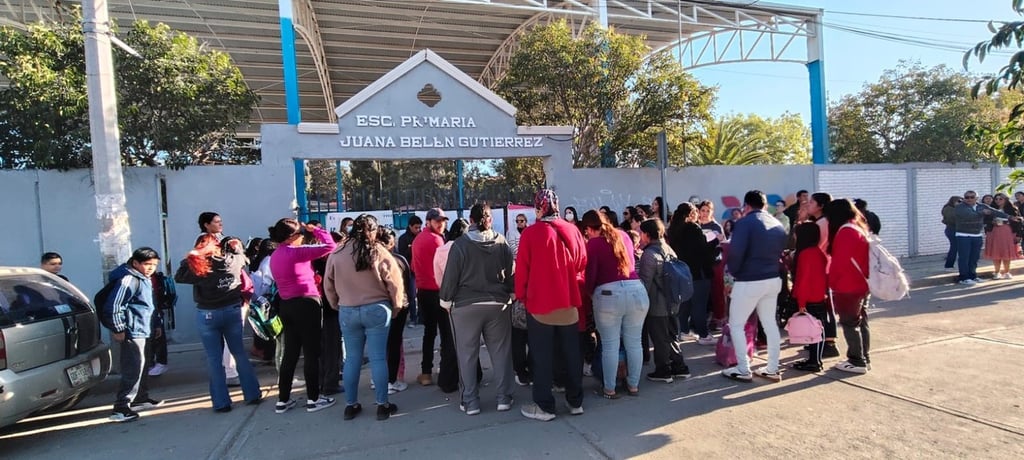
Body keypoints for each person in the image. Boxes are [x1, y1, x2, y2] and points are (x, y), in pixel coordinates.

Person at [324, 214, 405, 421]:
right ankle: (382, 404)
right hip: (377, 308)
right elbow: (394, 283)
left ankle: (351, 405)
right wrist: (396, 307)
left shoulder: (338, 252)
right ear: (374, 230)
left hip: (348, 309)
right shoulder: (379, 251)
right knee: (378, 358)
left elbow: (328, 284)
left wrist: (336, 304)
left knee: (352, 358)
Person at [516, 189, 587, 422]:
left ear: (538, 207)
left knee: (542, 357)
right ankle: (575, 401)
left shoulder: (530, 234)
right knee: (571, 354)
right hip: (569, 302)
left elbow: (523, 270)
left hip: (541, 304)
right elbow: (581, 261)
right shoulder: (572, 229)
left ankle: (545, 406)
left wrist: (522, 296)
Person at [440, 204, 515, 416]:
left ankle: (470, 401)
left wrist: (445, 301)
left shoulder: (460, 244)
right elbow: (511, 272)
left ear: (471, 220)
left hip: (465, 306)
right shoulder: (501, 241)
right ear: (489, 219)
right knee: (501, 353)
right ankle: (504, 398)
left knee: (467, 355)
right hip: (498, 304)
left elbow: (451, 277)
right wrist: (511, 293)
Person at [174, 235, 262, 412]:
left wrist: (190, 257)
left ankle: (221, 402)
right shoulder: (234, 260)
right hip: (232, 310)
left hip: (208, 313)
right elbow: (244, 258)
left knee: (214, 358)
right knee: (239, 353)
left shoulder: (199, 266)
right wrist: (236, 248)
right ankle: (252, 394)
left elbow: (179, 277)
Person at [268, 218, 337, 413]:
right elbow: (330, 246)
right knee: (312, 353)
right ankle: (314, 398)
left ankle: (283, 399)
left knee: (290, 353)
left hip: (287, 305)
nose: (302, 238)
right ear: (292, 237)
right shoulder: (296, 252)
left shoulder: (275, 255)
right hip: (307, 303)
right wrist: (317, 230)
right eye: (300, 235)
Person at [720, 190, 787, 383]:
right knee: (770, 323)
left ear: (746, 206)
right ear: (765, 205)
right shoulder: (777, 224)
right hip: (773, 279)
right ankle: (772, 368)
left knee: (736, 324)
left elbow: (736, 253)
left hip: (749, 280)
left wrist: (733, 273)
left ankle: (743, 368)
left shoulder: (744, 223)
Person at [581, 210, 647, 398]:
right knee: (634, 343)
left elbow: (591, 276)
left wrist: (591, 294)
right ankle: (633, 385)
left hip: (609, 294)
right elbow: (631, 264)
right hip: (637, 291)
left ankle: (610, 388)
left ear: (589, 229)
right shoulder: (624, 235)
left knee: (610, 345)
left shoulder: (593, 244)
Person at [103, 247, 164, 422]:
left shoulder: (143, 278)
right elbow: (114, 306)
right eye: (147, 264)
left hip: (144, 328)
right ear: (135, 263)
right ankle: (121, 407)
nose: (151, 268)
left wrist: (157, 323)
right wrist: (118, 328)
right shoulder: (128, 278)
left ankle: (140, 399)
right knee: (133, 367)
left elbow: (148, 305)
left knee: (143, 365)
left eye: (154, 264)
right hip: (132, 330)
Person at [638, 218, 690, 383]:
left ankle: (663, 371)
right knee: (672, 336)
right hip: (673, 301)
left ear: (647, 234)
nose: (640, 236)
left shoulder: (649, 254)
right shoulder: (669, 249)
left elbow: (645, 283)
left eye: (641, 233)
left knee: (660, 338)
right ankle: (679, 367)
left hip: (657, 304)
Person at [824, 199, 872, 374]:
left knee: (849, 323)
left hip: (848, 285)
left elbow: (840, 264)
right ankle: (863, 357)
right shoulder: (858, 227)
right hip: (862, 283)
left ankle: (857, 360)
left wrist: (832, 284)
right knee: (861, 321)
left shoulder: (845, 232)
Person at [412, 208, 457, 391]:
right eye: (437, 221)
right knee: (447, 334)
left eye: (443, 221)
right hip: (438, 292)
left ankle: (426, 372)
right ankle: (446, 371)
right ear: (428, 221)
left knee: (429, 333)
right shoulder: (437, 240)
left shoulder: (417, 240)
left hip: (423, 292)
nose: (441, 224)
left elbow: (414, 268)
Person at [666, 202, 720, 346]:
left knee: (686, 303)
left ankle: (683, 331)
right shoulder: (693, 228)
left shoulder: (673, 229)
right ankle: (703, 335)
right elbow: (703, 250)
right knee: (699, 305)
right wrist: (716, 241)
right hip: (699, 271)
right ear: (691, 214)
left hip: (682, 271)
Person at [789, 222, 829, 372]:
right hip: (819, 295)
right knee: (818, 330)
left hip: (809, 297)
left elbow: (804, 280)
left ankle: (814, 362)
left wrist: (801, 302)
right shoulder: (818, 252)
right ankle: (814, 359)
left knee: (813, 331)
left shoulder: (806, 254)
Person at [379, 228, 414, 395]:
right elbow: (407, 284)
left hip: (377, 306)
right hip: (397, 306)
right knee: (394, 343)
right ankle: (391, 380)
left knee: (378, 344)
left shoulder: (368, 259)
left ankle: (378, 378)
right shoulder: (398, 260)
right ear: (392, 243)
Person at [955, 191, 1013, 285]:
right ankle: (964, 277)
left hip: (977, 235)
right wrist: (982, 213)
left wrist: (1010, 217)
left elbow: (995, 212)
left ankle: (973, 276)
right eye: (967, 197)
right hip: (963, 235)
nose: (969, 199)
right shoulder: (960, 207)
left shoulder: (981, 206)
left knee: (974, 257)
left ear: (976, 198)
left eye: (972, 197)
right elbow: (969, 216)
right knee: (964, 257)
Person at [508, 212, 532, 386]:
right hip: (523, 301)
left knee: (524, 338)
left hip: (524, 300)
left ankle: (526, 370)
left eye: (522, 221)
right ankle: (522, 370)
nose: (520, 223)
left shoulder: (528, 234)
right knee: (521, 338)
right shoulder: (512, 235)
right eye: (518, 221)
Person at [985, 193, 1022, 279]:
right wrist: (991, 222)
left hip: (1007, 232)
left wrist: (1019, 234)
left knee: (1006, 251)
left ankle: (1006, 271)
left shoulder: (1012, 209)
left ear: (1005, 200)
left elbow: (1019, 222)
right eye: (996, 199)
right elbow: (985, 220)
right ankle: (997, 272)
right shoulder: (991, 209)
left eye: (1000, 199)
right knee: (996, 251)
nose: (998, 201)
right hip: (994, 232)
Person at [941, 196, 962, 271]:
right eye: (958, 201)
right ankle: (949, 265)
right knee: (954, 247)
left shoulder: (952, 208)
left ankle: (949, 265)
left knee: (955, 247)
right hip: (952, 230)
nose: (960, 203)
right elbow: (952, 220)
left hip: (953, 230)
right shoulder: (949, 209)